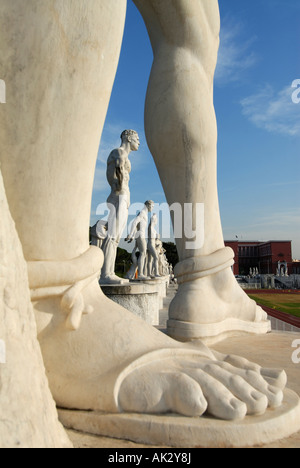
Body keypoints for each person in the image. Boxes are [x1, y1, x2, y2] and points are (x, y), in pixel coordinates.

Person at [0, 0, 284, 424]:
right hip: (108, 216)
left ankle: (208, 279)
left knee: (195, 26)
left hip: (132, 210)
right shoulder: (119, 157)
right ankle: (49, 297)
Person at [100, 130, 140, 284]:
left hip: (122, 196)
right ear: (128, 138)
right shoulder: (119, 152)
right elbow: (117, 169)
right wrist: (120, 185)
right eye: (137, 138)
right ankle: (106, 274)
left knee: (115, 237)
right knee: (112, 235)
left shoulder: (120, 154)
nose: (139, 142)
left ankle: (108, 272)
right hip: (119, 195)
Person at [126, 200, 154, 280]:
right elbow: (134, 222)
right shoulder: (142, 213)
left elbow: (136, 226)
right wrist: (131, 234)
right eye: (152, 206)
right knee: (143, 253)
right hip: (140, 235)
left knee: (142, 253)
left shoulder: (143, 213)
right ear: (148, 205)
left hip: (139, 235)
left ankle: (130, 273)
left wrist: (132, 236)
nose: (152, 208)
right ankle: (140, 274)